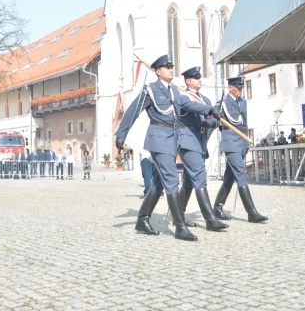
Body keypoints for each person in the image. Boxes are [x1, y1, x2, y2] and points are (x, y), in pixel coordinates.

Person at [115, 54, 217, 241]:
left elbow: (190, 104)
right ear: (157, 71)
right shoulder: (150, 90)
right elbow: (133, 111)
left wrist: (209, 110)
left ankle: (142, 219)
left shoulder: (175, 92)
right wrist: (121, 134)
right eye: (167, 66)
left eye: (172, 66)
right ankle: (180, 227)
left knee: (159, 182)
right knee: (171, 180)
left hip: (173, 140)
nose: (171, 69)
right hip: (159, 139)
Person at [174, 66, 228, 232]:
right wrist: (209, 111)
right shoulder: (183, 96)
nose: (200, 80)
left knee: (189, 182)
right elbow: (191, 107)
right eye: (196, 77)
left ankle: (180, 216)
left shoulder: (205, 99)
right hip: (188, 142)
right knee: (199, 176)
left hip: (201, 142)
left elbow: (215, 119)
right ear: (188, 81)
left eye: (200, 77)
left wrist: (212, 122)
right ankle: (210, 219)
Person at [213, 76, 268, 224]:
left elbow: (245, 122)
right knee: (241, 173)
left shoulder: (242, 102)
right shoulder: (222, 103)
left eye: (241, 88)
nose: (240, 91)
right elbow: (213, 118)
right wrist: (214, 114)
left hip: (241, 141)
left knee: (230, 177)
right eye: (238, 88)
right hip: (230, 141)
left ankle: (217, 208)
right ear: (231, 87)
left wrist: (246, 142)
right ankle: (252, 213)